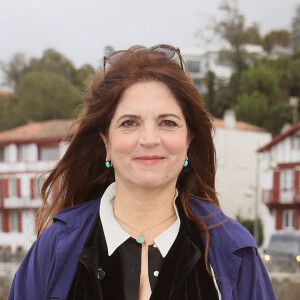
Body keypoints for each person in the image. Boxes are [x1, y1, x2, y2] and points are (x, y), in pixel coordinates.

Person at [8, 45, 276, 300]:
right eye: (129, 123)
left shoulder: (232, 250)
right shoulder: (55, 249)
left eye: (168, 122)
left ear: (189, 140)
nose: (149, 139)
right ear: (106, 143)